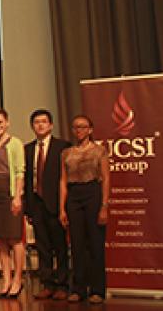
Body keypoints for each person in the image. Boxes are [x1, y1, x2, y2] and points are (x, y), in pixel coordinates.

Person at [59, 115, 109, 305]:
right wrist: (62, 208)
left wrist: (104, 206)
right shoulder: (66, 153)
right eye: (75, 127)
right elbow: (63, 181)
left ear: (90, 129)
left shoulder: (99, 151)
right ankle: (78, 288)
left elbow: (105, 178)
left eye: (83, 127)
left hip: (93, 193)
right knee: (77, 244)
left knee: (95, 242)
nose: (79, 130)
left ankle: (97, 289)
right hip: (74, 196)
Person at [25, 109, 71, 300]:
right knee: (42, 247)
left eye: (44, 121)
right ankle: (47, 284)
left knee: (60, 246)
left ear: (51, 125)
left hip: (56, 204)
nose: (40, 125)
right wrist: (27, 208)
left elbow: (66, 179)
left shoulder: (63, 146)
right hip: (36, 204)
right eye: (36, 122)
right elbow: (27, 180)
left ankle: (62, 285)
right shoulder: (27, 149)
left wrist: (64, 207)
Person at [0, 109, 26, 299]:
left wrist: (17, 196)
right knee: (1, 239)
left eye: (0, 122)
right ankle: (6, 280)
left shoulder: (15, 143)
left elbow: (19, 171)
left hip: (10, 193)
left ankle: (18, 279)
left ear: (7, 123)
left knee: (15, 238)